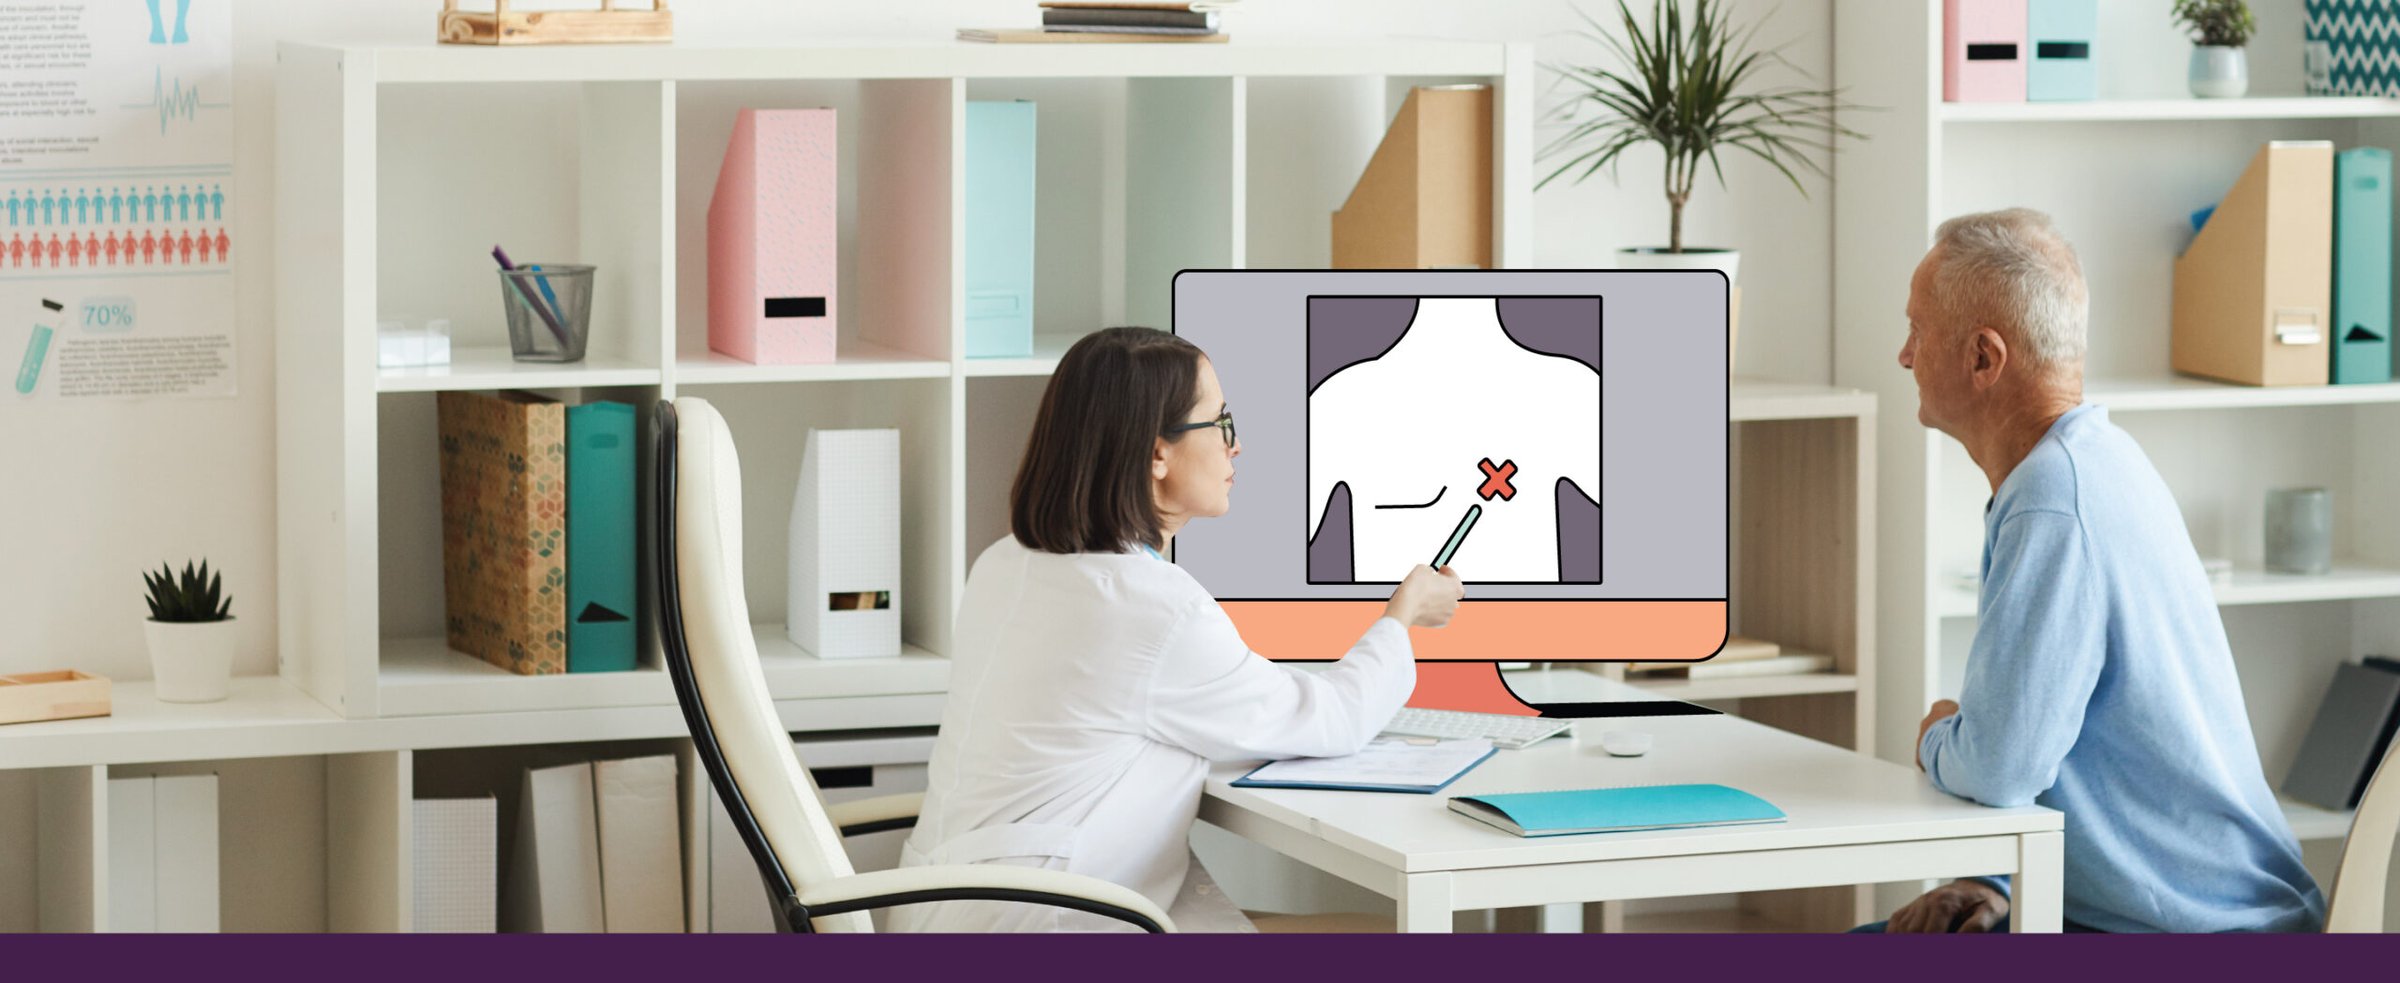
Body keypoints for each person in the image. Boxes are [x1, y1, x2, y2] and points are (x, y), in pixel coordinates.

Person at [893, 326, 1463, 933]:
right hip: (1044, 922)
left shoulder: (1006, 561)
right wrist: (1402, 616)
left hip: (954, 905)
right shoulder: (1155, 608)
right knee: (1384, 935)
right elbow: (1336, 718)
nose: (1235, 446)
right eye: (1219, 424)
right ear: (1156, 453)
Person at [1870, 208, 2324, 933]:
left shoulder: (2054, 503)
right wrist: (1993, 883)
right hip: (2196, 917)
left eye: (1918, 331)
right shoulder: (2093, 466)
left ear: (1985, 359)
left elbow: (1998, 767)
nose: (1902, 354)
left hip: (2199, 935)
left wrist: (1936, 735)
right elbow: (2065, 748)